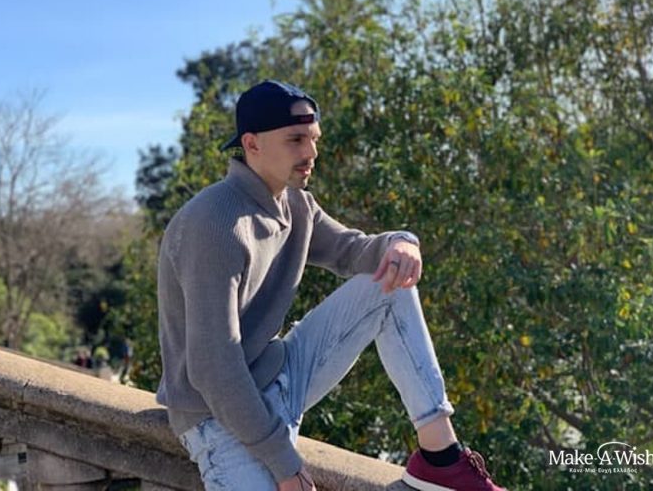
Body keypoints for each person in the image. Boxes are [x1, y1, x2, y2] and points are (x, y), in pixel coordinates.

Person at [155, 80, 505, 491]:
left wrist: (401, 242)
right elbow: (213, 368)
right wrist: (283, 461)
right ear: (251, 144)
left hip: (280, 374)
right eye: (295, 140)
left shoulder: (295, 205)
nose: (311, 153)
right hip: (217, 419)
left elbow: (352, 250)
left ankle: (441, 458)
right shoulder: (216, 224)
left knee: (389, 282)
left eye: (314, 139)